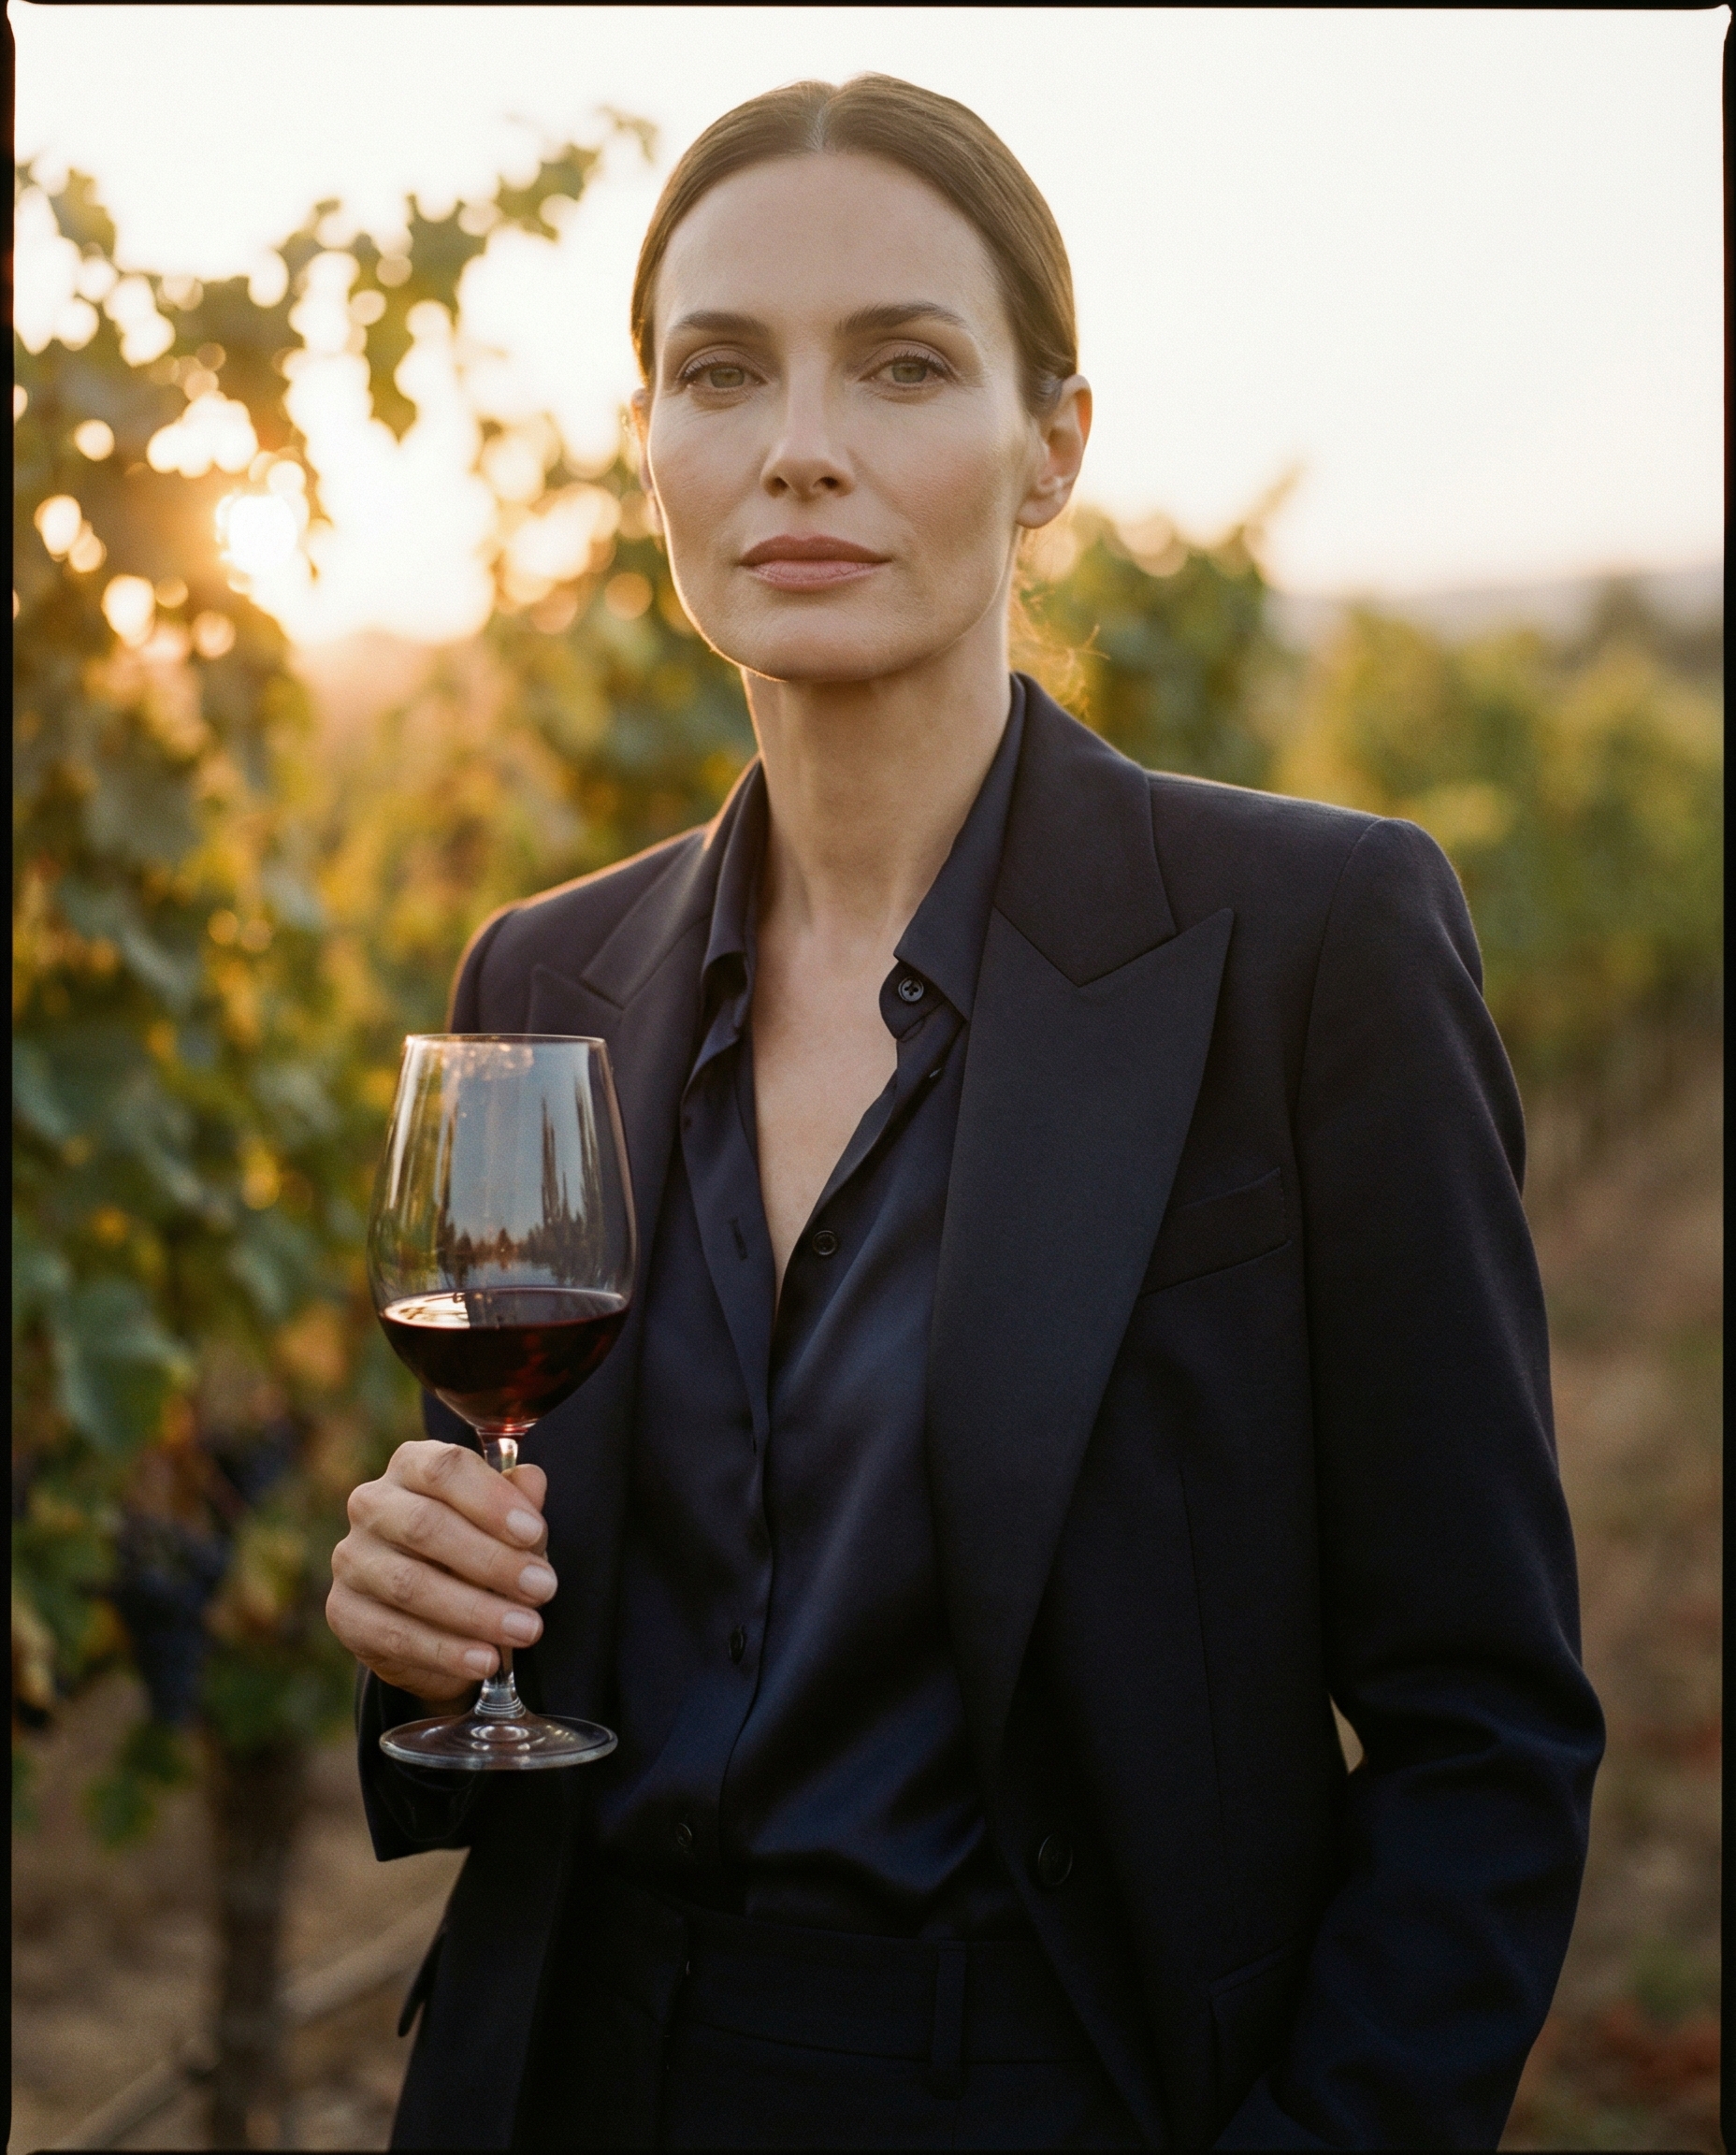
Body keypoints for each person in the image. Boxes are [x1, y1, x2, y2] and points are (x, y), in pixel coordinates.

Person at [326, 73, 1603, 2151]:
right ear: (650, 445)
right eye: (720, 371)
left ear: (1053, 443)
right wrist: (419, 1629)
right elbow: (514, 1638)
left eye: (903, 364)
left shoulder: (1315, 948)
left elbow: (1487, 1733)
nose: (798, 444)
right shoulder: (538, 982)